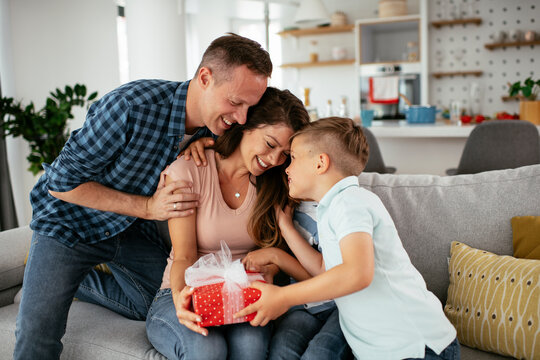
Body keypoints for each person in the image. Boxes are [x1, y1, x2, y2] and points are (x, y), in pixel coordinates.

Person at [14, 33, 272, 360]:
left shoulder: (218, 129)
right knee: (37, 339)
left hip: (128, 229)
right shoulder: (131, 106)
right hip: (69, 222)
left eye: (250, 107)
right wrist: (148, 207)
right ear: (205, 78)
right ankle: (46, 277)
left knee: (156, 306)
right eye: (235, 103)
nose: (242, 118)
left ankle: (78, 283)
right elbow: (60, 183)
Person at [235, 117, 460, 360]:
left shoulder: (350, 202)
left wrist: (283, 297)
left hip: (418, 347)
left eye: (294, 158)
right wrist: (286, 228)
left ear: (320, 163)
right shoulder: (333, 207)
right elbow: (325, 270)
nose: (286, 168)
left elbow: (357, 274)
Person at [145, 87, 310, 360]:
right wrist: (180, 299)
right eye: (270, 144)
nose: (274, 160)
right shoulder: (188, 171)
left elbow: (275, 256)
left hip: (244, 293)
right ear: (247, 125)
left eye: (285, 153)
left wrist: (269, 267)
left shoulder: (277, 182)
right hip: (184, 289)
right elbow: (184, 256)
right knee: (208, 350)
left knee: (251, 349)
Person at [242, 202, 352, 360]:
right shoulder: (288, 210)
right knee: (281, 350)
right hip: (304, 306)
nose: (288, 175)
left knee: (319, 353)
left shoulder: (335, 212)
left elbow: (327, 280)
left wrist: (277, 255)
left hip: (341, 306)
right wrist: (273, 267)